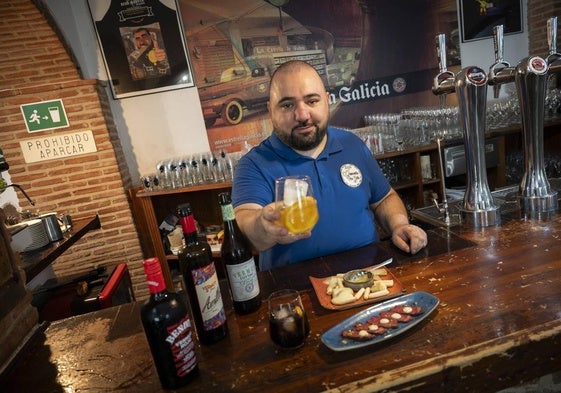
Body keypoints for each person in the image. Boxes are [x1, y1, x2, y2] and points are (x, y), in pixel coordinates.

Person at [231, 60, 427, 271]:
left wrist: (399, 225)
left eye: (312, 101)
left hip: (371, 278)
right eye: (287, 105)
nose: (303, 115)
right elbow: (247, 223)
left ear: (326, 100)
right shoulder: (253, 164)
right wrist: (263, 225)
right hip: (298, 291)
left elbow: (384, 198)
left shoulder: (352, 145)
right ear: (271, 110)